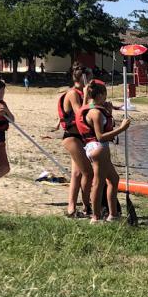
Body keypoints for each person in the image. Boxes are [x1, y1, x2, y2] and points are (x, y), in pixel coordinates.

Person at [76, 79, 133, 222]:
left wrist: (108, 111)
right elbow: (100, 136)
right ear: (100, 95)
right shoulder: (96, 113)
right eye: (105, 95)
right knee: (98, 183)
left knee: (114, 179)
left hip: (93, 148)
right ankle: (95, 217)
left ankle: (113, 215)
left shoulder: (91, 108)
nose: (107, 98)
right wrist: (122, 128)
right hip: (98, 148)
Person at [57, 67, 92, 217]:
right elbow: (80, 114)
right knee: (88, 173)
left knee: (77, 174)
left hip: (80, 138)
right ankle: (86, 206)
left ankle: (71, 208)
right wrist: (86, 97)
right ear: (84, 78)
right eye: (90, 77)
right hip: (72, 137)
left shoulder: (82, 94)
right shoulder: (72, 94)